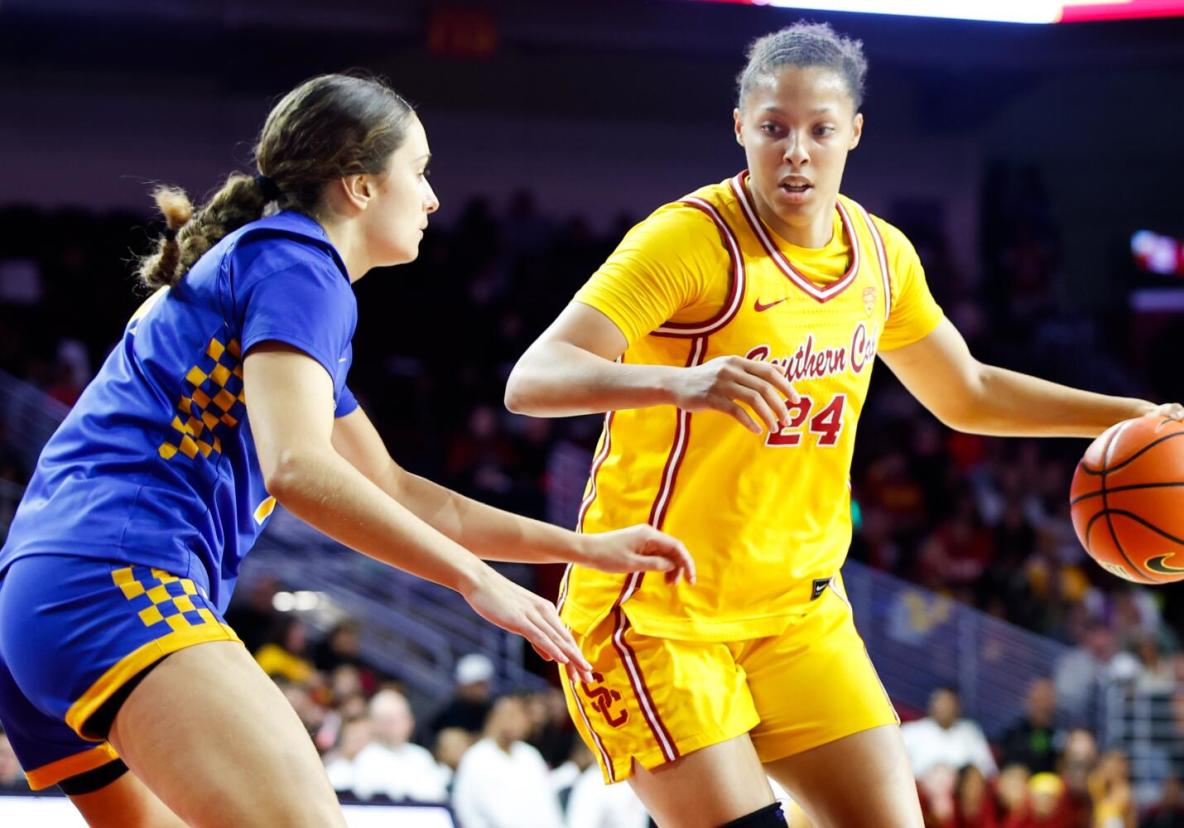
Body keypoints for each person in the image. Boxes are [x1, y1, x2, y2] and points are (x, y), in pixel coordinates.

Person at [504, 21, 1184, 828]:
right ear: (740, 127)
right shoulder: (687, 241)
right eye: (774, 128)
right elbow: (533, 380)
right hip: (657, 615)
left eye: (820, 130)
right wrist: (684, 382)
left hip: (796, 613)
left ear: (853, 132)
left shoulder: (882, 255)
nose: (796, 152)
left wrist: (1126, 414)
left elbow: (966, 390)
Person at [0, 72, 694, 828]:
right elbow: (296, 468)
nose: (432, 199)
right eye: (420, 172)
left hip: (41, 600)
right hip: (116, 583)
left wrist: (581, 548)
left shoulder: (263, 278)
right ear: (360, 187)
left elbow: (398, 491)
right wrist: (471, 581)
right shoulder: (301, 266)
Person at [452, 694, 565, 828]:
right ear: (494, 718)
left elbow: (548, 807)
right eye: (509, 715)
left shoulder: (530, 756)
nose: (515, 722)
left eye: (520, 716)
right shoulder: (479, 756)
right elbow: (497, 816)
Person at [350, 689, 448, 803]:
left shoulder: (421, 756)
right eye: (386, 720)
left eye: (399, 718)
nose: (393, 726)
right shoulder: (367, 759)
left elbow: (437, 795)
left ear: (410, 721)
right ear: (374, 724)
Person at [900, 687, 997, 781]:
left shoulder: (970, 732)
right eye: (940, 702)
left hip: (960, 793)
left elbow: (988, 770)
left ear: (958, 707)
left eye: (948, 703)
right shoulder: (913, 730)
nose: (943, 707)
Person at [998, 678, 1065, 774]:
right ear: (1027, 701)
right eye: (1038, 700)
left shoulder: (1060, 734)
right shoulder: (1014, 735)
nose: (1043, 705)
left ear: (1054, 703)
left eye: (1047, 699)